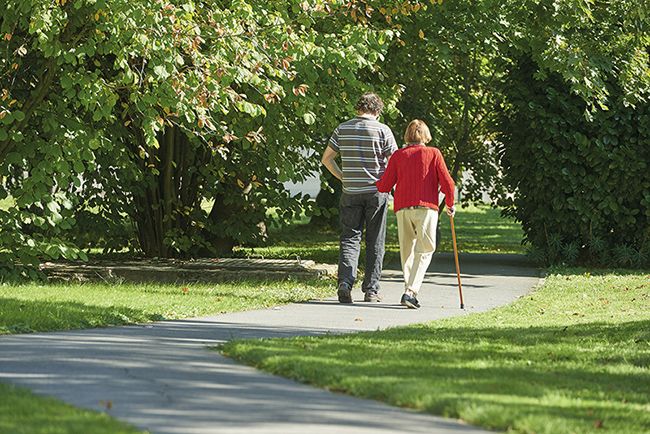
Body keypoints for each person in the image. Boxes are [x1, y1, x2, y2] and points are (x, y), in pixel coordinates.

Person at [321, 93, 398, 304]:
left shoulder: (342, 128)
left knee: (349, 237)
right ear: (378, 110)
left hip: (350, 192)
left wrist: (342, 176)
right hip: (376, 193)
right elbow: (394, 163)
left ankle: (345, 283)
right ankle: (371, 290)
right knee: (375, 241)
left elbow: (326, 159)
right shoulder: (383, 130)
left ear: (358, 108)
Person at [376, 119, 455, 309]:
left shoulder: (397, 156)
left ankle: (408, 290)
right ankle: (410, 292)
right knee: (426, 249)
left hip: (403, 209)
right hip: (426, 209)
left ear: (407, 136)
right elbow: (448, 183)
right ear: (426, 135)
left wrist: (373, 180)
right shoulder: (433, 153)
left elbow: (385, 186)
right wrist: (450, 204)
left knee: (407, 251)